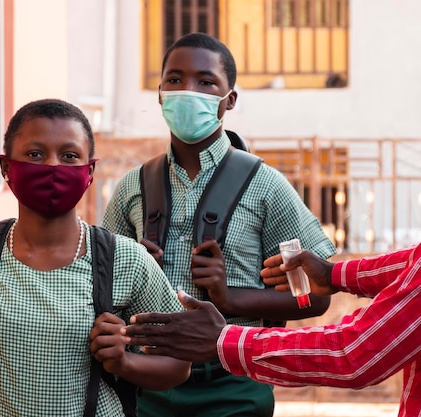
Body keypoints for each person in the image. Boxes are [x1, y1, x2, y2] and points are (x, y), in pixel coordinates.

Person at [120, 47, 421, 416]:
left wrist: (224, 338)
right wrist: (336, 274)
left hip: (233, 390)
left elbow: (355, 353)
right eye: (174, 80)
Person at [102, 32, 336, 417]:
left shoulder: (267, 186)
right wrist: (133, 266)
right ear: (159, 94)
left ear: (229, 100)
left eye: (206, 81)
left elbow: (315, 295)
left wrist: (231, 297)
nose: (187, 90)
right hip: (145, 383)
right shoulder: (133, 187)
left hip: (234, 386)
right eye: (174, 79)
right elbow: (101, 290)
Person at [0, 98, 191, 417]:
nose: (53, 166)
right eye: (35, 154)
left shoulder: (127, 260)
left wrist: (124, 360)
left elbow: (179, 364)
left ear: (89, 171)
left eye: (69, 156)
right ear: (6, 168)